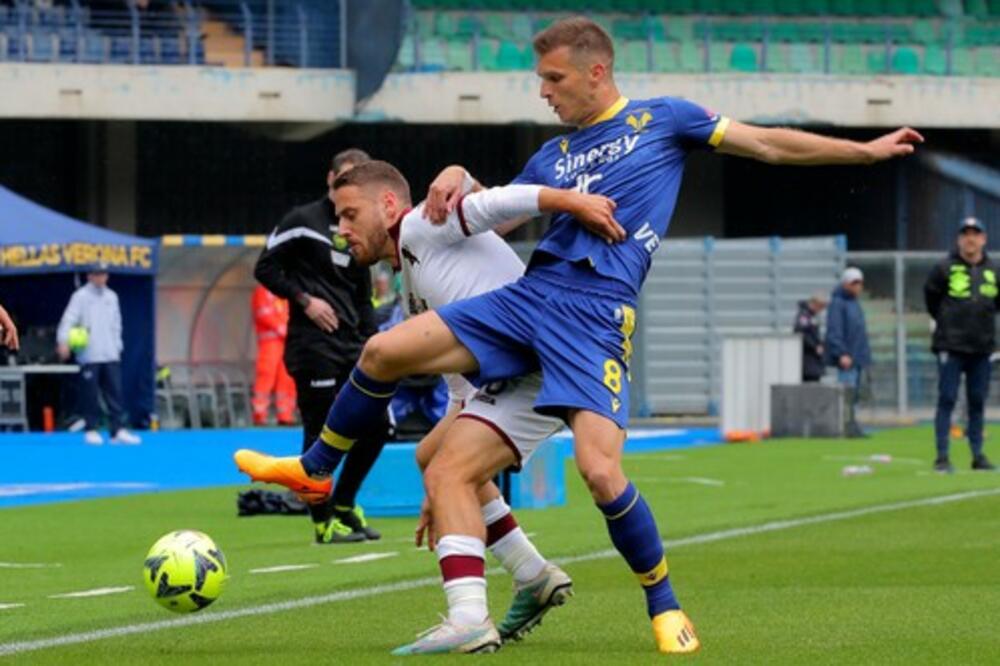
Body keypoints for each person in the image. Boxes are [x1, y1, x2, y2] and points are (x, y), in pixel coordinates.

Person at [234, 17, 922, 655]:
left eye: (554, 80)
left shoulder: (664, 119)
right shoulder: (551, 155)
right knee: (384, 353)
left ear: (597, 72)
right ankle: (318, 473)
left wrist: (862, 152)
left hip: (594, 316)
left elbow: (768, 142)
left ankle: (664, 605)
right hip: (530, 300)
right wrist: (457, 178)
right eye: (542, 81)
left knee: (598, 471)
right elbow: (487, 217)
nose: (544, 93)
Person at [246, 160, 611, 653]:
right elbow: (462, 384)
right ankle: (532, 574)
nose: (342, 229)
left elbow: (500, 201)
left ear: (389, 206)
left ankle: (466, 616)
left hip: (536, 369)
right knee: (432, 460)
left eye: (351, 214)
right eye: (338, 217)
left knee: (386, 364)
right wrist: (448, 481)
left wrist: (571, 201)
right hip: (513, 373)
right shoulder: (413, 280)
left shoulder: (423, 223)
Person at [253, 148, 386, 544]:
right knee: (320, 430)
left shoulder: (359, 229)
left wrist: (376, 338)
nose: (348, 188)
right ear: (330, 180)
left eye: (357, 181)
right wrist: (306, 301)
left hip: (353, 345)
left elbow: (363, 296)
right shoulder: (302, 222)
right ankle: (322, 523)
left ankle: (344, 505)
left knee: (378, 427)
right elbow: (264, 267)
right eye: (343, 179)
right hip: (313, 347)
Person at [924, 216, 998, 473]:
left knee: (977, 400)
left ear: (983, 239)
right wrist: (946, 323)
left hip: (981, 348)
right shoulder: (944, 267)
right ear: (959, 239)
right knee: (947, 398)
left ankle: (977, 454)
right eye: (966, 233)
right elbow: (931, 298)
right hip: (951, 345)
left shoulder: (994, 271)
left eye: (975, 233)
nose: (970, 238)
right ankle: (942, 456)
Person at [56, 263, 141, 446]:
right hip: (90, 355)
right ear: (89, 276)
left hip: (110, 354)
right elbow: (69, 319)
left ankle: (117, 430)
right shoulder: (80, 297)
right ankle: (91, 429)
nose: (101, 278)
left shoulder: (112, 296)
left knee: (115, 394)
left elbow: (117, 324)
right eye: (97, 274)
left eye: (104, 274)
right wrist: (63, 341)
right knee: (90, 394)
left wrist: (118, 346)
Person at [825, 267, 871, 438]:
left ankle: (852, 426)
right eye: (854, 283)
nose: (858, 286)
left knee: (855, 396)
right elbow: (834, 331)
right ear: (846, 284)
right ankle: (845, 427)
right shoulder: (837, 304)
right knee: (847, 395)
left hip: (857, 357)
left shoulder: (854, 303)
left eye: (860, 283)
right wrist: (842, 353)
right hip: (847, 358)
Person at [250, 285, 296, 426]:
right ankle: (259, 414)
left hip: (287, 341)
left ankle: (285, 415)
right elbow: (263, 313)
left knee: (287, 378)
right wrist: (284, 329)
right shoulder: (263, 290)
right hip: (270, 342)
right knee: (266, 375)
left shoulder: (287, 290)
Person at [794, 292, 828, 382]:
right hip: (808, 361)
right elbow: (801, 334)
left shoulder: (811, 316)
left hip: (812, 361)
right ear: (815, 304)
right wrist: (815, 346)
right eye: (820, 307)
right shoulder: (804, 316)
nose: (821, 310)